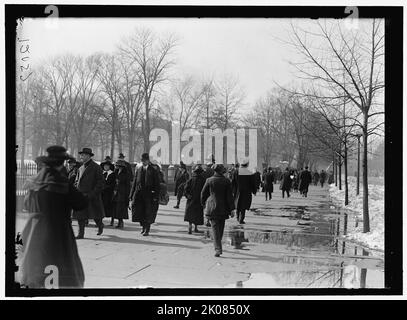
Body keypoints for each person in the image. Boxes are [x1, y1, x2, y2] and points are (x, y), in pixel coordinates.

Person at [18, 146, 88, 288]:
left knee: (35, 267)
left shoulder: (34, 181)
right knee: (60, 268)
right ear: (61, 163)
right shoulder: (62, 182)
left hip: (33, 232)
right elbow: (81, 203)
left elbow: (26, 204)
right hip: (58, 231)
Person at [201, 164, 235, 257]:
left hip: (212, 207)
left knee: (215, 228)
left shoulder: (209, 180)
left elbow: (203, 194)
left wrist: (203, 204)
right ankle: (218, 246)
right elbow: (229, 196)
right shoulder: (226, 181)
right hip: (223, 207)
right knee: (220, 228)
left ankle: (218, 248)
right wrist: (232, 209)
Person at [72, 147, 105, 239]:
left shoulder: (96, 167)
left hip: (92, 195)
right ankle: (81, 234)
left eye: (84, 155)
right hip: (81, 196)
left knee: (95, 215)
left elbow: (100, 183)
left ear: (89, 156)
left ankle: (100, 225)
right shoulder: (80, 168)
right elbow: (76, 181)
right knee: (80, 216)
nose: (81, 156)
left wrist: (92, 193)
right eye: (81, 155)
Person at [129, 153, 160, 236]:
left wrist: (155, 196)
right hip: (139, 195)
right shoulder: (139, 170)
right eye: (142, 160)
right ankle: (143, 226)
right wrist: (131, 195)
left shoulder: (153, 171)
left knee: (148, 213)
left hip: (149, 195)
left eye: (145, 160)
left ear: (148, 161)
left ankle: (147, 229)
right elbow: (135, 183)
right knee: (139, 212)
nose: (143, 162)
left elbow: (157, 184)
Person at [232, 158, 257, 224]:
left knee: (238, 204)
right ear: (247, 164)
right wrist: (254, 191)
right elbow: (253, 183)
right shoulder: (249, 172)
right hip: (246, 191)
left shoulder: (236, 171)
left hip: (237, 191)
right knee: (243, 205)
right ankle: (241, 218)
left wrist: (232, 190)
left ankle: (237, 217)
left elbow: (233, 182)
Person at [184, 164, 206, 234]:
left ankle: (190, 226)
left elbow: (185, 189)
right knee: (197, 214)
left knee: (190, 213)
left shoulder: (191, 179)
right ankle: (195, 228)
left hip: (191, 199)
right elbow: (205, 190)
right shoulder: (203, 180)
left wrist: (187, 195)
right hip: (199, 200)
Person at [112, 160, 131, 229]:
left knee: (121, 208)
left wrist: (128, 195)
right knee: (116, 207)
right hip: (116, 192)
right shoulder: (116, 172)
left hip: (122, 193)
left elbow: (128, 185)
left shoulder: (126, 174)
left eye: (117, 166)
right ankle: (118, 221)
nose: (116, 167)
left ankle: (121, 222)